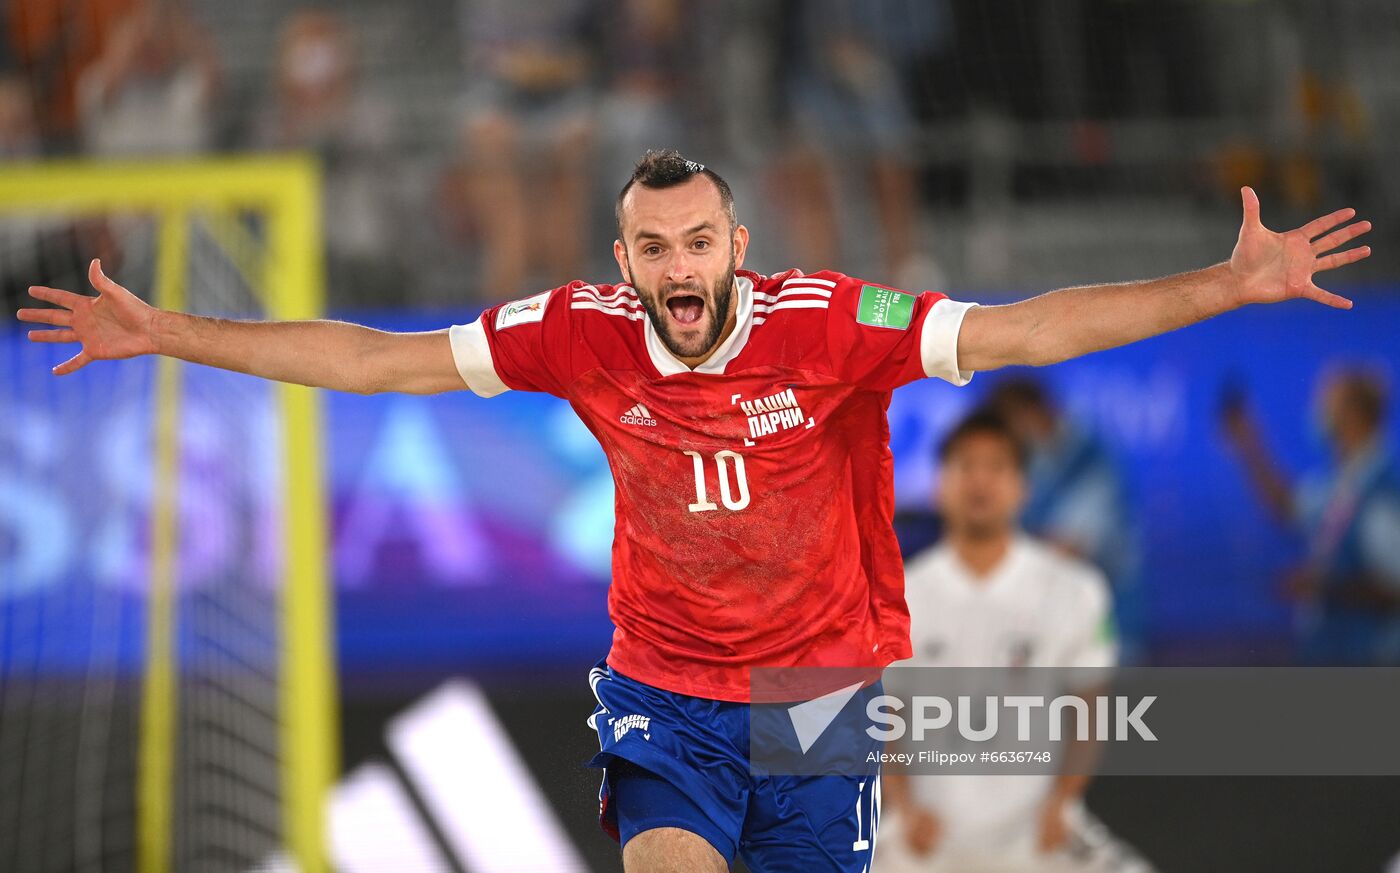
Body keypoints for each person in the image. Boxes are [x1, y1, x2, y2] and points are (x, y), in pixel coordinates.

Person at [16, 150, 1370, 872]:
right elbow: (378, 360)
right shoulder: (576, 329)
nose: (679, 266)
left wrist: (1221, 285)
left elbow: (1024, 331)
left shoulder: (831, 321)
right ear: (625, 259)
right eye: (654, 246)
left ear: (736, 248)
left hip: (819, 690)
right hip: (664, 684)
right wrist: (170, 332)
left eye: (700, 242)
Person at [876, 411, 1154, 873]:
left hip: (1041, 833)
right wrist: (903, 806)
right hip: (925, 838)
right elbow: (885, 715)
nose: (980, 482)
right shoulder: (899, 593)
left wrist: (1062, 801)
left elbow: (1090, 708)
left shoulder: (1076, 589)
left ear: (1023, 486)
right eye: (965, 466)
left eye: (997, 467)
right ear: (939, 485)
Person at [1222, 367, 1400, 664]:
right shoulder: (1344, 482)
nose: (1319, 414)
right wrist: (1249, 445)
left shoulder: (1383, 493)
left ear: (1354, 414)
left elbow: (1394, 587)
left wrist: (1324, 587)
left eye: (1327, 404)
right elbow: (1289, 507)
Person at [984, 377, 1143, 660]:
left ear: (1031, 413)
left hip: (1106, 628)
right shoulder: (1028, 462)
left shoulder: (1089, 459)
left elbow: (1068, 548)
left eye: (1010, 424)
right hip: (1041, 634)